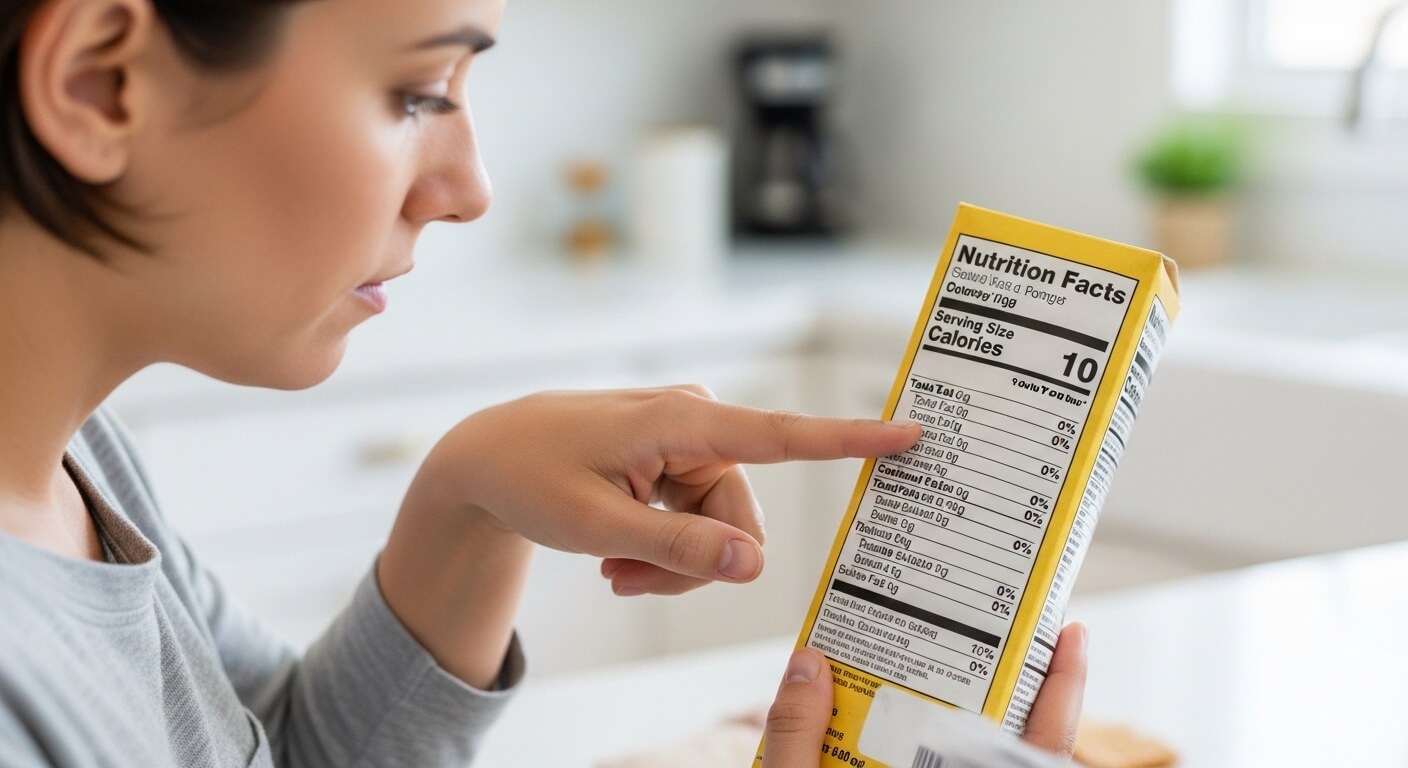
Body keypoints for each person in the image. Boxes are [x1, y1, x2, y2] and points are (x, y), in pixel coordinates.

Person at [0, 0, 1086, 765]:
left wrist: (465, 504)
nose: (469, 189)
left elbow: (278, 755)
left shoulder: (75, 463)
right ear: (103, 81)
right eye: (420, 91)